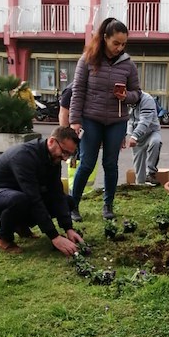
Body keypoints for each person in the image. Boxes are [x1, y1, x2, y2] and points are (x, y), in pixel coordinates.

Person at [0, 126, 83, 256]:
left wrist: (68, 228)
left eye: (69, 154)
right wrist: (54, 237)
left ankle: (19, 225)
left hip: (17, 193)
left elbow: (56, 193)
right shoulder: (24, 156)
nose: (65, 158)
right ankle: (4, 239)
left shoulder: (53, 158)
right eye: (64, 152)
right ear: (52, 141)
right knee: (20, 199)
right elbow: (33, 197)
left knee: (67, 200)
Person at [69, 17, 140, 221]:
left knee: (111, 164)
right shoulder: (87, 60)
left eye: (123, 44)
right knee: (87, 164)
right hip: (91, 119)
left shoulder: (128, 65)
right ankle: (73, 205)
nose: (120, 47)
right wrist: (75, 120)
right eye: (116, 43)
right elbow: (78, 91)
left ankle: (108, 205)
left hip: (117, 121)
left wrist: (126, 96)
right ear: (105, 38)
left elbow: (138, 94)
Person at [59, 82, 97, 194]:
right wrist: (66, 136)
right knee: (76, 161)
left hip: (89, 132)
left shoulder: (93, 87)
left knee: (89, 161)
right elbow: (63, 114)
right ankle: (74, 192)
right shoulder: (70, 90)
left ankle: (86, 192)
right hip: (75, 133)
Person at [126, 90, 162, 186]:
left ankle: (151, 173)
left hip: (151, 131)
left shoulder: (147, 99)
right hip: (136, 136)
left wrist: (134, 136)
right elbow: (122, 119)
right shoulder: (123, 98)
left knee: (156, 142)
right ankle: (141, 184)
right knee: (140, 177)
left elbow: (145, 121)